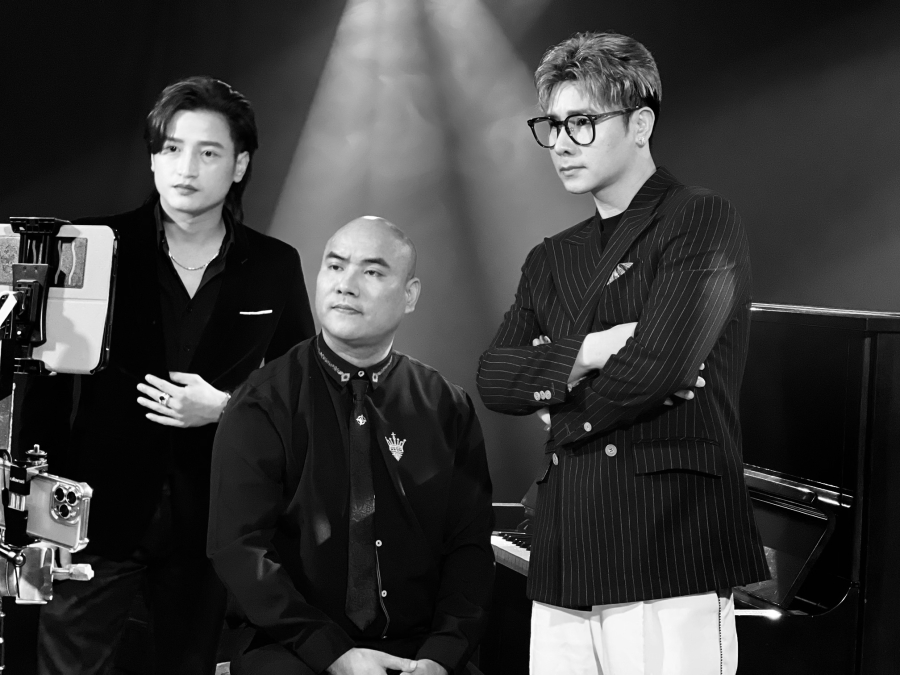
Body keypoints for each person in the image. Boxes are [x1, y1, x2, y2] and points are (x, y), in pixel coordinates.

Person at [475, 31, 768, 675]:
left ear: (640, 124)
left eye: (581, 123)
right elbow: (493, 377)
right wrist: (593, 349)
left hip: (668, 539)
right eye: (552, 126)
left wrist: (558, 403)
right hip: (567, 541)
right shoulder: (551, 256)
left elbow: (658, 369)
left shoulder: (699, 217)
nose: (560, 143)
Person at [18, 76, 316, 673]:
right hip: (91, 517)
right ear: (153, 158)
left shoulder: (274, 265)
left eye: (209, 152)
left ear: (239, 166)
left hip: (214, 523)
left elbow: (303, 389)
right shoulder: (90, 245)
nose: (186, 167)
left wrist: (225, 407)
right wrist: (40, 522)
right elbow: (42, 391)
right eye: (172, 148)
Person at [208, 216, 494, 675]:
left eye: (372, 271)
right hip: (292, 642)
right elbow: (239, 548)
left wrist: (441, 655)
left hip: (419, 646)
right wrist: (333, 654)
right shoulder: (262, 401)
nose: (346, 284)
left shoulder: (447, 406)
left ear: (410, 295)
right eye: (335, 266)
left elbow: (470, 546)